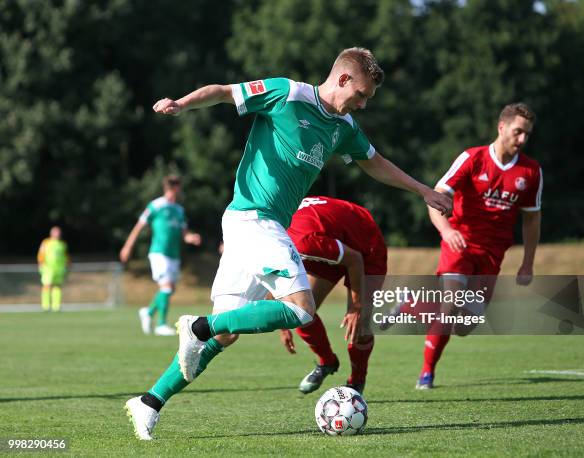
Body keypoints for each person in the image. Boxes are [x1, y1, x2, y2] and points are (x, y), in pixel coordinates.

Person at [125, 47, 452, 440]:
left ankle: (149, 402)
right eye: (361, 95)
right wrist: (181, 104)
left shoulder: (342, 125)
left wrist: (421, 190)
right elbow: (225, 91)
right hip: (253, 220)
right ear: (343, 79)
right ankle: (196, 326)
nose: (363, 104)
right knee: (300, 310)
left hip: (259, 228)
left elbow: (374, 161)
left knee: (225, 334)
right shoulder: (287, 93)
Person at [415, 103, 543, 389]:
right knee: (449, 305)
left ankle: (415, 304)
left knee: (464, 327)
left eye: (527, 135)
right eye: (517, 131)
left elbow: (532, 221)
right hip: (459, 244)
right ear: (501, 127)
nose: (522, 139)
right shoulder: (472, 158)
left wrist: (528, 263)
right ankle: (426, 373)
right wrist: (447, 230)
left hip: (492, 255)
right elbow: (436, 197)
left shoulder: (531, 172)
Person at [279, 196, 387, 395]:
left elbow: (354, 260)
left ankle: (356, 381)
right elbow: (271, 277)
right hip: (329, 237)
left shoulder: (300, 242)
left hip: (364, 242)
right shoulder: (273, 234)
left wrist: (356, 307)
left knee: (360, 325)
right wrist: (283, 323)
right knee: (300, 312)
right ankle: (327, 362)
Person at [120, 175, 202, 336]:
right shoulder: (156, 205)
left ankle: (148, 312)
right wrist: (127, 246)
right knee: (166, 287)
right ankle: (161, 324)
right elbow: (139, 226)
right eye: (173, 187)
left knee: (170, 289)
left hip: (174, 254)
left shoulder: (179, 210)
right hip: (159, 252)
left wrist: (190, 238)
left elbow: (184, 233)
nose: (176, 190)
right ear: (169, 188)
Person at [37, 226, 70, 312]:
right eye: (56, 232)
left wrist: (67, 264)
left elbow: (66, 256)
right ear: (51, 233)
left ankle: (56, 306)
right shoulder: (46, 242)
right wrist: (41, 263)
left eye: (59, 232)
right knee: (47, 285)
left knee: (57, 286)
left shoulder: (62, 244)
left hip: (59, 269)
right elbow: (41, 254)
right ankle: (45, 306)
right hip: (48, 268)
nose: (58, 234)